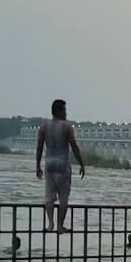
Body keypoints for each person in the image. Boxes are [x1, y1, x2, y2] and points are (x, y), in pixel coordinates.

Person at [35, 99, 85, 233]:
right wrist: (81, 164)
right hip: (63, 164)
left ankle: (50, 224)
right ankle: (60, 226)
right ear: (59, 111)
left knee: (49, 196)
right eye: (64, 110)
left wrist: (37, 166)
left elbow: (39, 147)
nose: (66, 113)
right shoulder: (67, 127)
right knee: (63, 197)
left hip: (49, 164)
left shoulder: (44, 127)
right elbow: (74, 146)